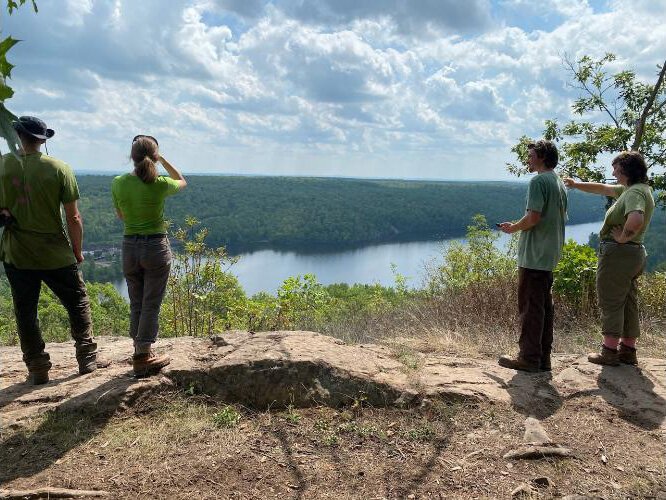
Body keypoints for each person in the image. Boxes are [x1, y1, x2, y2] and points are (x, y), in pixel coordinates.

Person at [0, 116, 109, 385]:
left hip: (17, 252)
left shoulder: (2, 165)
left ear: (17, 136)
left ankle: (37, 367)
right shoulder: (59, 168)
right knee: (77, 301)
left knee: (26, 310)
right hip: (55, 251)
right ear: (42, 141)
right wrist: (77, 250)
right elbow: (74, 218)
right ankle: (86, 357)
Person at [564, 151, 654, 366]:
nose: (613, 172)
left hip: (619, 254)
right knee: (628, 301)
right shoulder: (636, 190)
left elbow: (636, 218)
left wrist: (623, 237)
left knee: (611, 300)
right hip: (633, 254)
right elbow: (602, 188)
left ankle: (609, 351)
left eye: (616, 168)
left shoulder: (633, 194)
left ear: (626, 170)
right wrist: (576, 184)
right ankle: (628, 349)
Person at [111, 135, 186, 377]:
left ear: (131, 157)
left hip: (129, 247)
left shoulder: (118, 183)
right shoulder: (160, 183)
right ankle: (143, 356)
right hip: (155, 247)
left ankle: (139, 350)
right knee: (151, 303)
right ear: (154, 156)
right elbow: (182, 180)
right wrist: (162, 160)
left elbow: (121, 216)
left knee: (137, 301)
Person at [497, 140, 568, 372]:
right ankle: (542, 358)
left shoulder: (538, 181)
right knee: (544, 307)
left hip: (535, 254)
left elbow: (533, 217)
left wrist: (513, 228)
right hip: (549, 253)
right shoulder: (558, 182)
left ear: (541, 157)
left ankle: (528, 358)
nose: (527, 159)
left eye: (530, 155)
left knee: (530, 307)